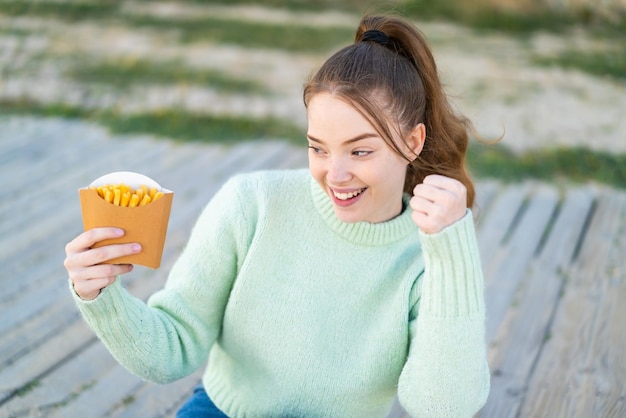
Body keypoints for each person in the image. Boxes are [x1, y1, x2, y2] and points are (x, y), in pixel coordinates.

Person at [64, 13, 490, 418]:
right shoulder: (252, 204)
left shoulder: (430, 253)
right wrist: (101, 297)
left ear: (413, 141)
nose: (335, 175)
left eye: (360, 151)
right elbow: (172, 349)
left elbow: (443, 406)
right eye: (318, 148)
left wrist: (453, 250)